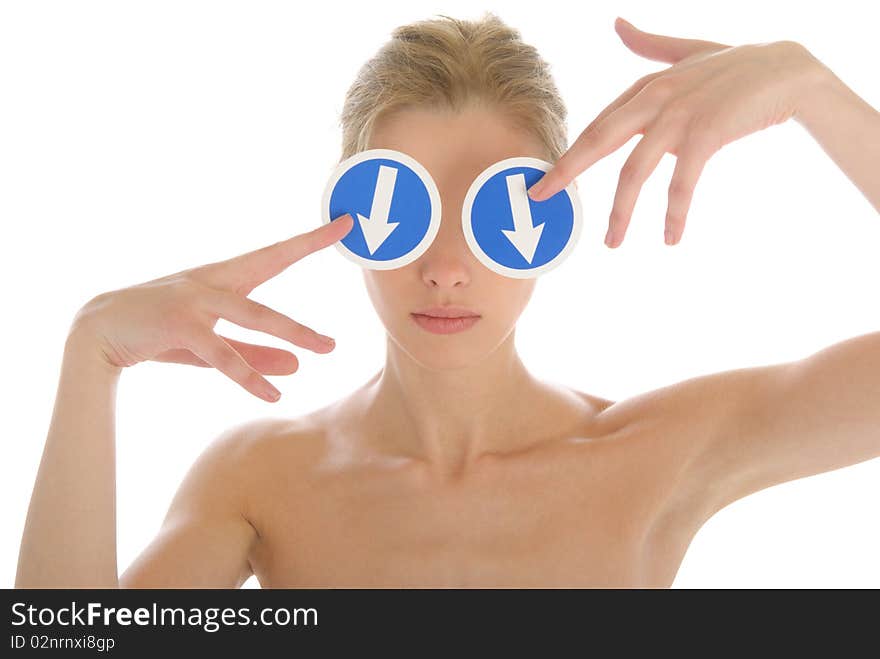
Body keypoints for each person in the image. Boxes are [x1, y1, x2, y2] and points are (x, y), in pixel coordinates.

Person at [15, 13, 880, 588]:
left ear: (556, 216)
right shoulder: (263, 481)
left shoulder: (656, 454)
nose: (446, 266)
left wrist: (814, 92)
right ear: (348, 218)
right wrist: (92, 355)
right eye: (401, 207)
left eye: (499, 211)